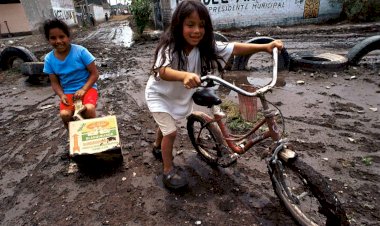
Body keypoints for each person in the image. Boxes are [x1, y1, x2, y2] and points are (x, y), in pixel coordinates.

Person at [145, 0, 284, 190]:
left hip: (178, 96)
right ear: (179, 25)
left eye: (201, 25)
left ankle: (156, 146)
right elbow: (162, 70)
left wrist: (265, 47)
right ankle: (168, 169)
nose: (196, 31)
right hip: (159, 95)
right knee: (171, 130)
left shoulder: (204, 46)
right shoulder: (168, 47)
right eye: (190, 25)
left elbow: (234, 47)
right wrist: (184, 75)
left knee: (167, 120)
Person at [42, 18, 99, 130]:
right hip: (68, 93)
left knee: (89, 109)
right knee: (65, 115)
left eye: (61, 36)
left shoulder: (81, 51)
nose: (58, 41)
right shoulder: (49, 59)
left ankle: (92, 134)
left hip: (88, 89)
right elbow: (54, 83)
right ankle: (74, 137)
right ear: (48, 40)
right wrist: (61, 95)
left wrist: (83, 89)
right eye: (53, 38)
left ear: (68, 37)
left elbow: (94, 74)